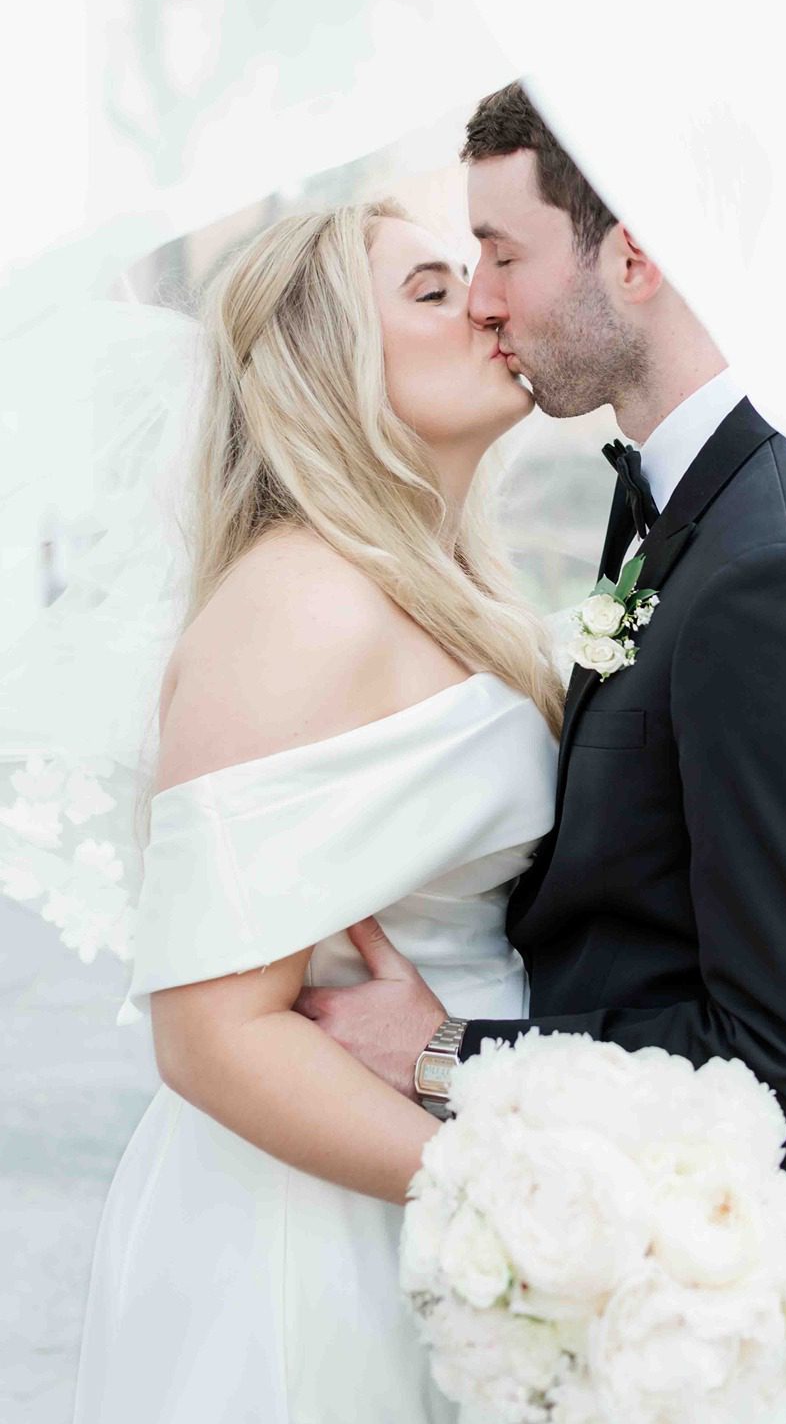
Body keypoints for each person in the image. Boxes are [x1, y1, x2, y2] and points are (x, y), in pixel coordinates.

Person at [298, 83, 786, 1424]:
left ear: (634, 254)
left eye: (502, 249)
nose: (481, 296)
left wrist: (447, 1055)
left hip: (730, 1328)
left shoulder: (782, 573)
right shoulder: (689, 512)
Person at [71, 198, 562, 1423]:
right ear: (326, 363)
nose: (488, 305)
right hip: (329, 1220)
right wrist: (508, 1204)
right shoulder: (297, 603)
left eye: (479, 276)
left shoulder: (438, 582)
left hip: (426, 1175)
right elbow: (213, 1034)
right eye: (433, 292)